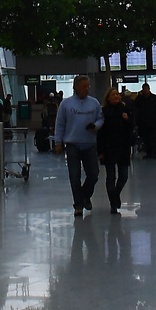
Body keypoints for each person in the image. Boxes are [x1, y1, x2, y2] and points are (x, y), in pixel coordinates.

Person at [52, 75, 103, 218]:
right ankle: (78, 205)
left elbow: (100, 118)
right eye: (84, 86)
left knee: (93, 174)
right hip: (72, 144)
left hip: (89, 144)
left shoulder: (94, 103)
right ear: (76, 87)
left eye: (88, 86)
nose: (87, 89)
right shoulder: (66, 104)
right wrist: (58, 142)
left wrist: (96, 126)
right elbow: (60, 123)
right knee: (74, 176)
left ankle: (85, 195)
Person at [96, 88, 134, 214]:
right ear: (108, 98)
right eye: (113, 95)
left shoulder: (125, 110)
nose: (116, 96)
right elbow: (100, 133)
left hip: (123, 147)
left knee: (124, 176)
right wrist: (100, 151)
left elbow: (132, 126)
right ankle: (113, 203)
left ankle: (116, 194)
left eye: (117, 94)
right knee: (110, 176)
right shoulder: (103, 112)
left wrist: (127, 119)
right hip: (109, 147)